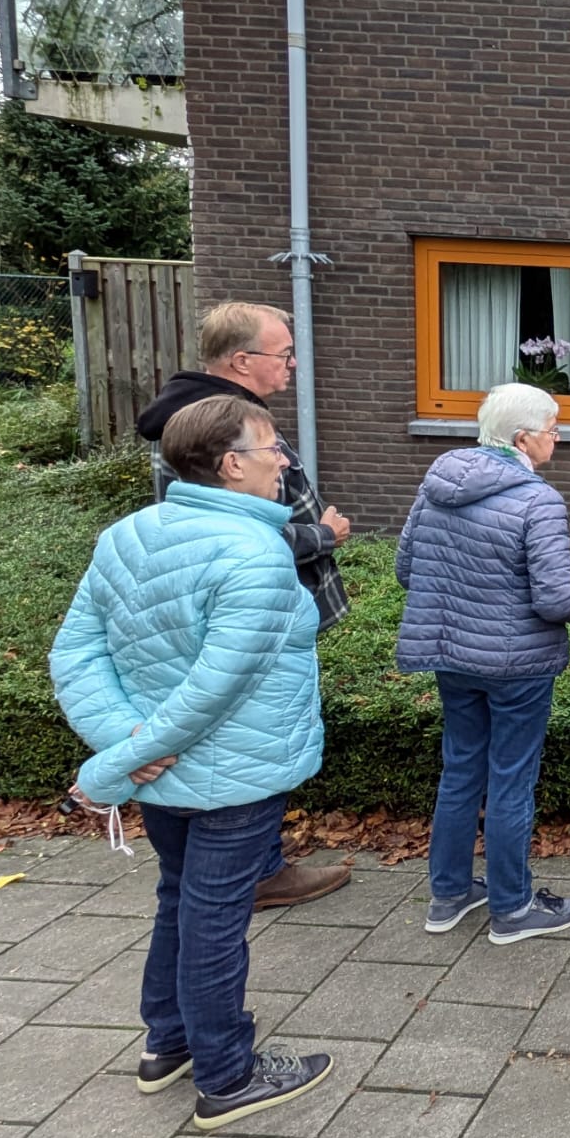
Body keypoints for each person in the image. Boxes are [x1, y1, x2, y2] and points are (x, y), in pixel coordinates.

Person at [52, 394, 334, 1131]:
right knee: (214, 914)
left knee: (180, 896)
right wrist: (131, 754)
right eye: (274, 449)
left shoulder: (127, 534)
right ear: (231, 463)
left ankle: (167, 1044)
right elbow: (219, 684)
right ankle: (227, 1073)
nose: (285, 463)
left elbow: (78, 654)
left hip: (166, 768)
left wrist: (129, 742)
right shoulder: (254, 554)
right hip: (233, 773)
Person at [134, 301, 351, 912]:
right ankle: (244, 869)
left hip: (273, 604)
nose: (291, 366)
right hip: (249, 610)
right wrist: (323, 536)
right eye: (283, 355)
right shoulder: (202, 429)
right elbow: (218, 534)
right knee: (252, 726)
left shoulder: (235, 420)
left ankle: (254, 861)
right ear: (241, 361)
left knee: (267, 721)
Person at [395, 383, 570, 945]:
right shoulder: (538, 500)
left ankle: (450, 894)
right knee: (511, 780)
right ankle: (512, 908)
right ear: (522, 438)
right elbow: (555, 599)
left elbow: (407, 570)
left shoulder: (435, 488)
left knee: (460, 771)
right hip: (518, 668)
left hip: (452, 657)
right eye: (554, 428)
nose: (559, 437)